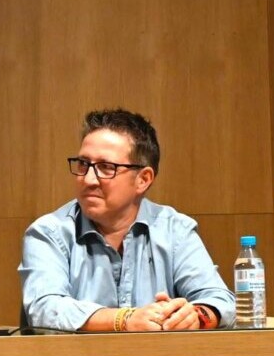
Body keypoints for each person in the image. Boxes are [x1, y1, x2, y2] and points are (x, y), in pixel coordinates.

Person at [20, 108, 234, 332]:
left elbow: (220, 300)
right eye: (83, 164)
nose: (89, 179)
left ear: (143, 179)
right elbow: (44, 307)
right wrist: (124, 319)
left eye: (106, 167)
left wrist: (195, 316)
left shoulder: (174, 229)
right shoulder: (48, 232)